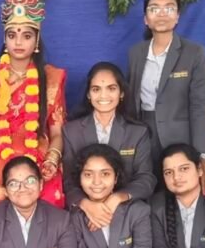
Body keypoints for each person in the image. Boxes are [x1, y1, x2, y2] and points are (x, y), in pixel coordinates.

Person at [0, 0, 66, 209]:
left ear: (36, 40)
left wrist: (52, 159)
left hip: (38, 152)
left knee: (49, 197)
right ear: (4, 39)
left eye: (26, 35)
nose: (18, 42)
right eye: (12, 35)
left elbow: (56, 134)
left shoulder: (51, 78)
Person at [128, 0, 205, 192]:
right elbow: (131, 101)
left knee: (181, 191)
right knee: (149, 190)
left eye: (169, 8)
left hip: (181, 137)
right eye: (154, 8)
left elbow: (199, 105)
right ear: (146, 19)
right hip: (144, 134)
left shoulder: (194, 52)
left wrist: (202, 155)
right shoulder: (135, 53)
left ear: (177, 17)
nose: (162, 13)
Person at [63, 61, 156, 229]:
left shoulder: (138, 132)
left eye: (111, 88)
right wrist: (87, 205)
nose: (103, 96)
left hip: (126, 214)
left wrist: (116, 199)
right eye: (96, 89)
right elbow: (68, 181)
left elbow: (146, 179)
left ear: (122, 93)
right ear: (88, 94)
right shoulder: (71, 131)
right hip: (84, 217)